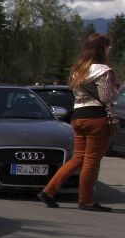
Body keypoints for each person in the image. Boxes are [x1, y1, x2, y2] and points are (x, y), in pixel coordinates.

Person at [38, 33, 119, 211]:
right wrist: (116, 91)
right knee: (91, 161)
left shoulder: (79, 69)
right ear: (102, 49)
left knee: (78, 158)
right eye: (108, 46)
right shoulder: (103, 71)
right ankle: (86, 200)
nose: (110, 49)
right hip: (96, 117)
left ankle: (49, 190)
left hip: (78, 116)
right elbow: (106, 97)